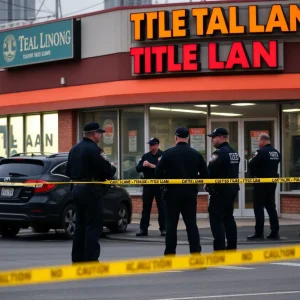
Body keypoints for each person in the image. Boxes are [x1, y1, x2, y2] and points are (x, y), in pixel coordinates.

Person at [66, 122, 116, 263]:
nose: (100, 135)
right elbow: (106, 170)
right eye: (99, 133)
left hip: (76, 189)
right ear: (94, 134)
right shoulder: (95, 150)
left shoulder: (74, 149)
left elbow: (68, 171)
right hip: (90, 190)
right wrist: (112, 167)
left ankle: (78, 258)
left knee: (80, 224)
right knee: (93, 225)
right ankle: (91, 259)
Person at [156, 127, 209, 255]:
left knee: (171, 225)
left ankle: (170, 255)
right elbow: (206, 174)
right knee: (191, 224)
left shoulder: (168, 153)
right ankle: (196, 254)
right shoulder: (196, 154)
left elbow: (157, 174)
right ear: (188, 138)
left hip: (171, 193)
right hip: (190, 194)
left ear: (175, 137)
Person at [205, 128, 240, 251]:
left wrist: (207, 184)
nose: (212, 140)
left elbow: (210, 171)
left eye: (213, 137)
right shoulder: (233, 152)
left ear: (220, 137)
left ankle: (219, 249)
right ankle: (231, 247)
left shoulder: (218, 153)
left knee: (216, 218)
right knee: (229, 218)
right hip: (232, 190)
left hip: (220, 191)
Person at [247, 133, 281, 240]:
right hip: (272, 183)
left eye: (258, 141)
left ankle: (259, 233)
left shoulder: (261, 152)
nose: (258, 143)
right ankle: (275, 232)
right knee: (271, 207)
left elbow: (251, 163)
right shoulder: (276, 152)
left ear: (262, 141)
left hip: (260, 183)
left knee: (258, 208)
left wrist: (252, 173)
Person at [136, 137, 166, 237]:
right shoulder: (146, 156)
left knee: (162, 208)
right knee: (146, 208)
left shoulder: (163, 155)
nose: (150, 146)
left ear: (157, 145)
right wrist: (144, 165)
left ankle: (163, 229)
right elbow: (137, 168)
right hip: (148, 185)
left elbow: (165, 169)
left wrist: (151, 166)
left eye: (152, 145)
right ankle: (143, 229)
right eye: (150, 144)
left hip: (159, 185)